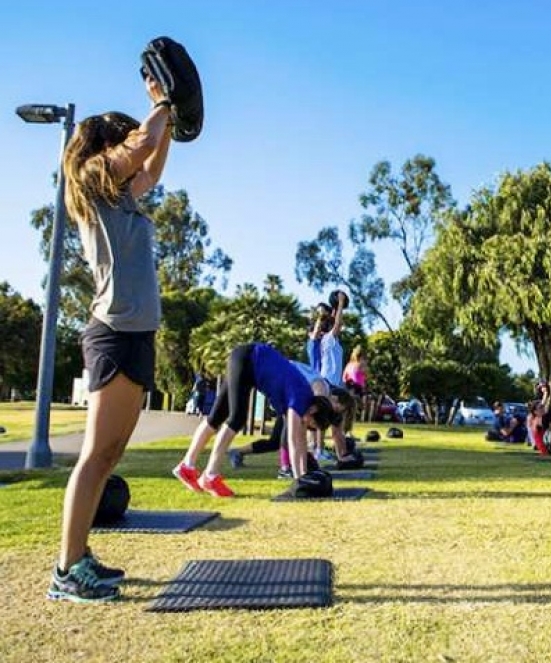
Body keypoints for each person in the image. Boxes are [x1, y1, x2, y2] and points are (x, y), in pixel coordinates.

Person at [47, 78, 174, 603]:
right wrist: (162, 103)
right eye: (121, 138)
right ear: (105, 144)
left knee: (111, 452)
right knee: (96, 454)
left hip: (136, 332)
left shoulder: (121, 193)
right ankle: (66, 569)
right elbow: (140, 145)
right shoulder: (91, 173)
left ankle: (81, 556)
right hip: (114, 330)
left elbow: (152, 162)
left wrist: (173, 121)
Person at [173, 343, 340, 497]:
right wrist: (300, 480)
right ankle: (210, 475)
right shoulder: (299, 400)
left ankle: (186, 466)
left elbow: (300, 439)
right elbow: (293, 442)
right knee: (237, 418)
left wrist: (304, 475)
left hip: (247, 362)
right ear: (313, 410)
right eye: (309, 424)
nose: (305, 426)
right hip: (247, 359)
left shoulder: (307, 405)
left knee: (216, 417)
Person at [319, 291, 348, 389]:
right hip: (329, 382)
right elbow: (338, 323)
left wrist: (335, 308)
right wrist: (340, 302)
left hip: (333, 383)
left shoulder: (330, 341)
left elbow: (334, 321)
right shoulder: (328, 338)